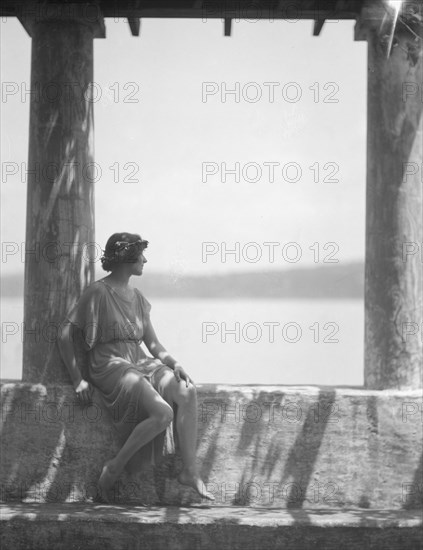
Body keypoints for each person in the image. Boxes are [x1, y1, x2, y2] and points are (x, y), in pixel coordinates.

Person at [58, 232, 214, 502]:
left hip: (139, 360)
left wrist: (174, 363)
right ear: (126, 257)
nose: (144, 259)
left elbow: (152, 343)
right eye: (140, 253)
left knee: (188, 391)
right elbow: (64, 334)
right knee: (163, 413)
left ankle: (190, 471)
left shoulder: (138, 297)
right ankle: (115, 466)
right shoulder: (97, 292)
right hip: (109, 363)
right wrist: (77, 380)